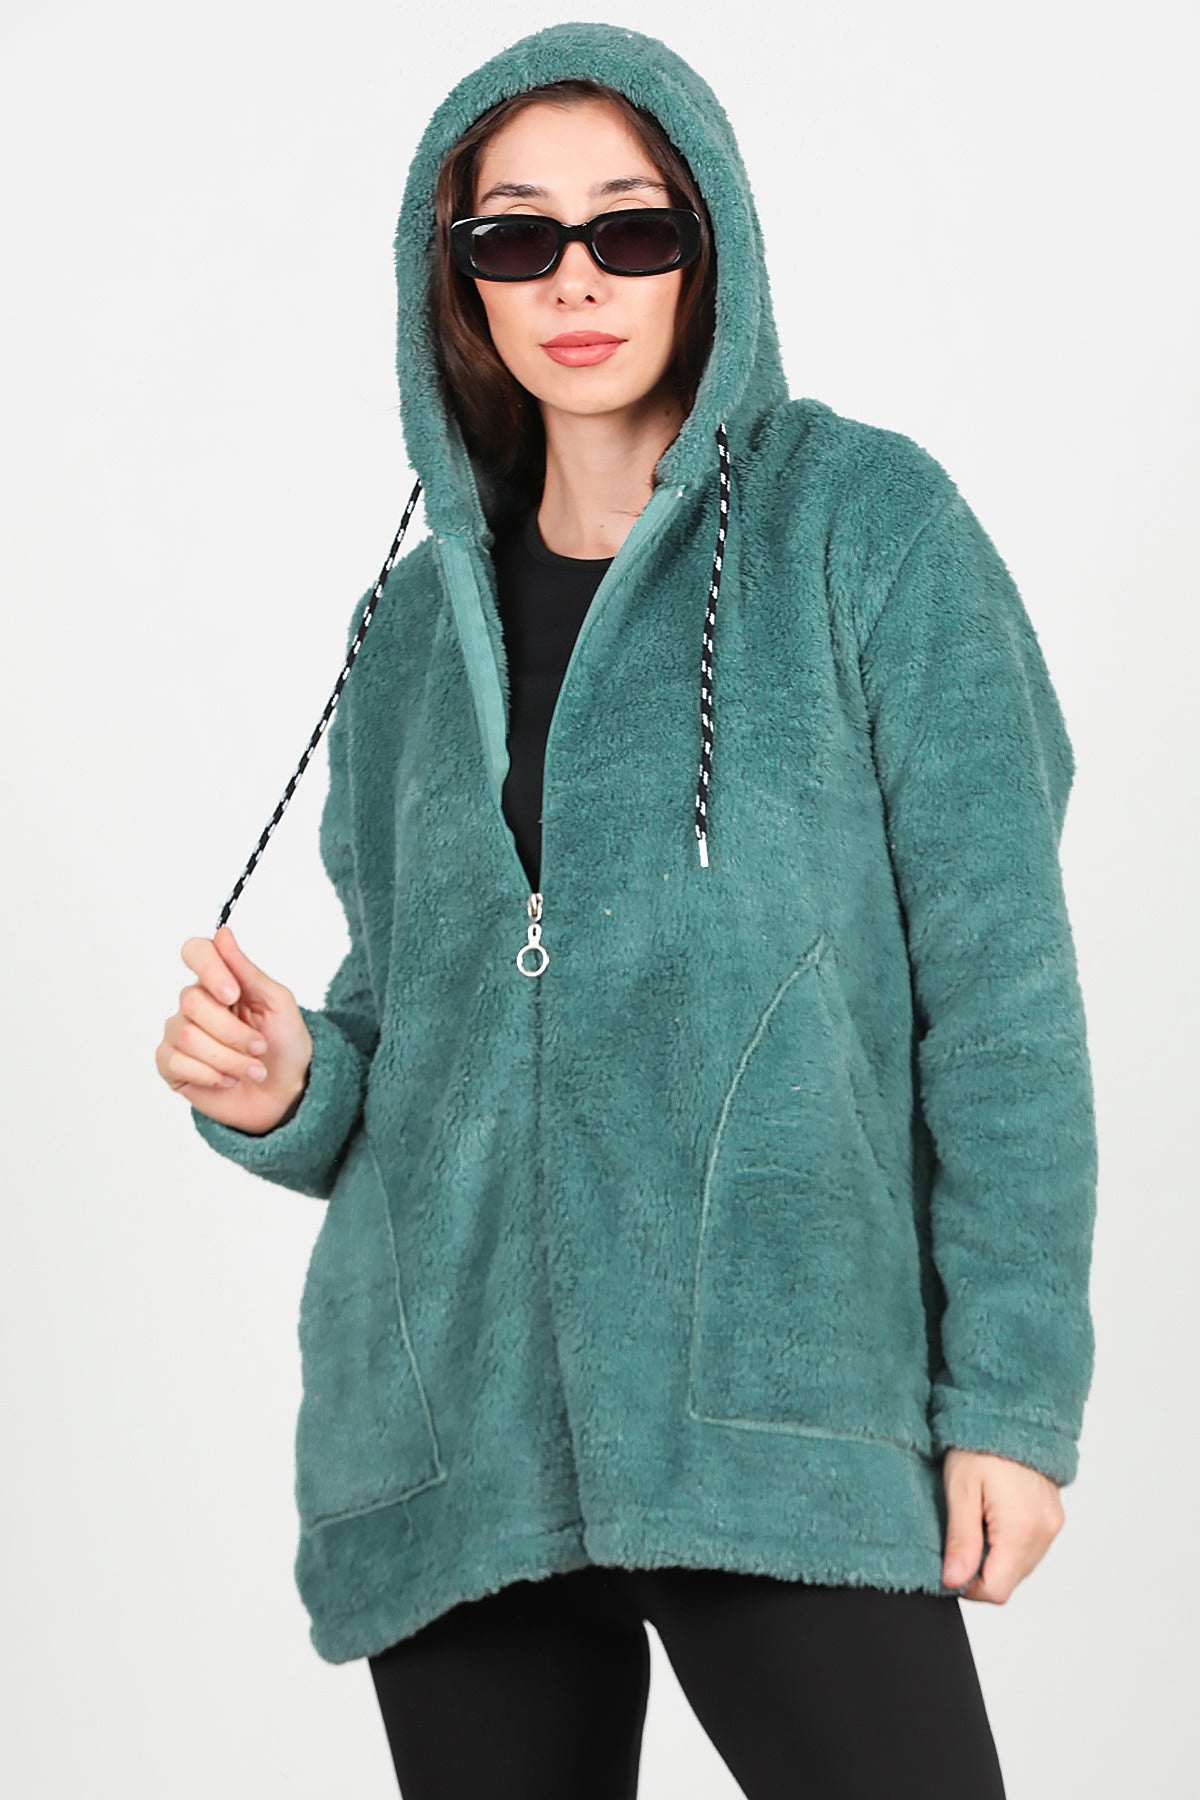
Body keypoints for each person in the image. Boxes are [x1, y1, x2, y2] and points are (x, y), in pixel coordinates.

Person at [156, 21, 1097, 1799]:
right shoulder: (407, 640)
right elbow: (411, 1031)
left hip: (776, 1410)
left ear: (707, 244)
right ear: (457, 278)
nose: (575, 280)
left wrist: (1011, 1400)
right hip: (458, 1439)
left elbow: (1002, 1001)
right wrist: (289, 1083)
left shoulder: (866, 530)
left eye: (630, 228)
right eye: (516, 237)